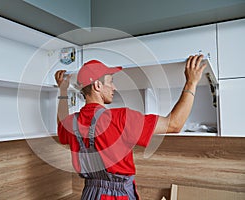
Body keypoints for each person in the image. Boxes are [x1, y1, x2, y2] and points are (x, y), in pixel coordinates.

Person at [55, 55, 206, 200]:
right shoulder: (120, 118)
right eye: (111, 81)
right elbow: (174, 125)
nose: (114, 87)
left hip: (89, 193)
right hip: (116, 196)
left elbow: (60, 124)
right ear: (97, 85)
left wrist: (62, 91)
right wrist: (191, 83)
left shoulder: (71, 122)